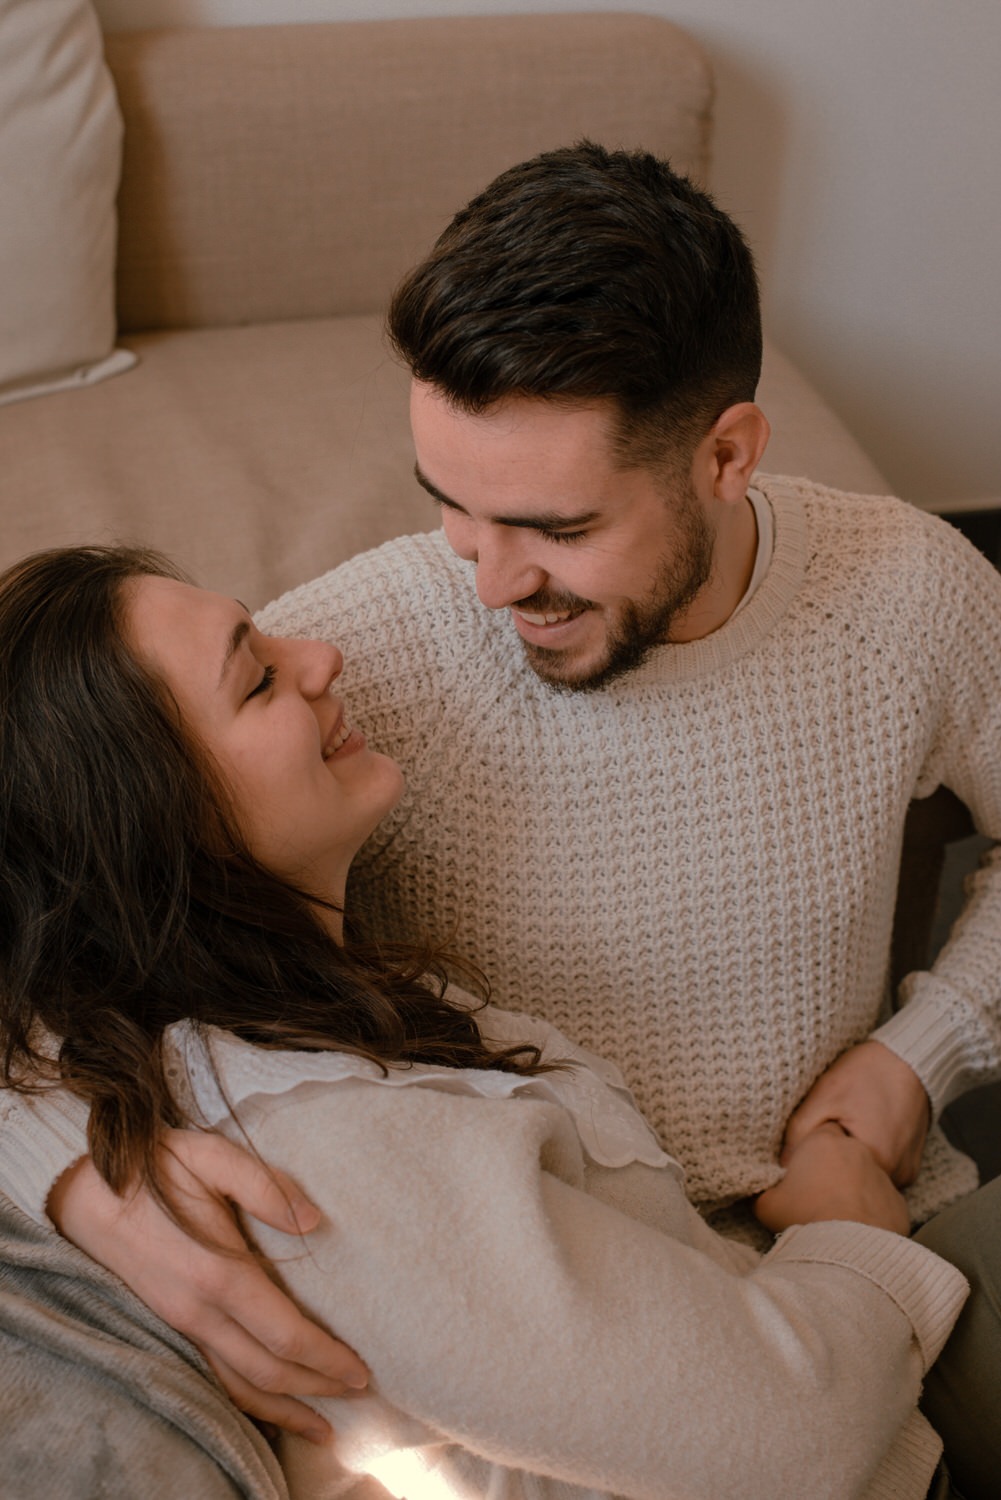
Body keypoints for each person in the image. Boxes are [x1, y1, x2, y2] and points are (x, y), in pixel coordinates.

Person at [23, 145, 1001, 1449]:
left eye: (553, 529)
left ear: (725, 455)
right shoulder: (347, 679)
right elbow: (54, 861)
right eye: (453, 509)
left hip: (859, 1204)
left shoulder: (915, 597)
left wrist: (915, 1057)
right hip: (569, 1311)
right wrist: (64, 1174)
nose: (488, 585)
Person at [0, 543, 980, 1500]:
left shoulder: (238, 1025)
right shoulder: (320, 1168)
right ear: (152, 832)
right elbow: (796, 1445)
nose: (322, 656)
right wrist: (844, 1224)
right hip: (851, 1397)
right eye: (257, 679)